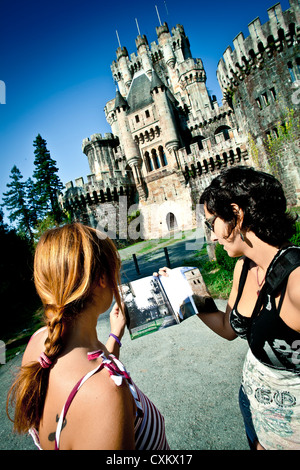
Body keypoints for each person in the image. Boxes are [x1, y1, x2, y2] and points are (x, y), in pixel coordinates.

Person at [157, 166, 300, 450]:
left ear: (236, 214)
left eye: (212, 223)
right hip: (251, 404)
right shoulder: (243, 268)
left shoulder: (295, 279)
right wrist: (189, 292)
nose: (211, 236)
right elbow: (228, 329)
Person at [7, 223, 169, 450]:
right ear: (102, 278)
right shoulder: (107, 396)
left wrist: (115, 334)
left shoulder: (39, 342)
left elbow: (90, 374)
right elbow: (96, 388)